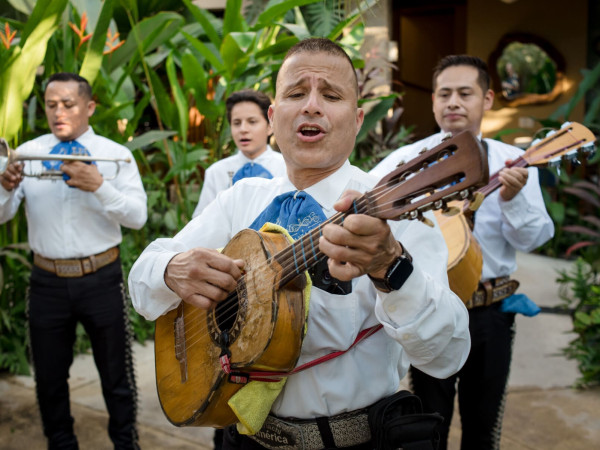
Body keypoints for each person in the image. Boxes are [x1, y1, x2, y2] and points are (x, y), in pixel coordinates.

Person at [128, 38, 470, 450]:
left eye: (331, 94)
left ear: (357, 118)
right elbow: (143, 284)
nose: (311, 105)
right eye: (295, 93)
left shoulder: (389, 214)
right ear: (273, 116)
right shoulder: (243, 197)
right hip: (243, 438)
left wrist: (391, 267)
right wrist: (172, 269)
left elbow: (447, 355)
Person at [370, 55, 554, 449]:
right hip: (429, 310)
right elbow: (365, 213)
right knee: (427, 427)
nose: (453, 102)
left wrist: (513, 199)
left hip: (490, 312)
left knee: (482, 429)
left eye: (464, 93)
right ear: (434, 101)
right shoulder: (404, 164)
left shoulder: (513, 163)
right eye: (444, 93)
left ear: (486, 99)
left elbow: (534, 239)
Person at [0, 72, 147, 449]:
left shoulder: (116, 155)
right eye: (51, 105)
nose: (58, 112)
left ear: (89, 106)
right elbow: (2, 216)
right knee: (49, 379)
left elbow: (137, 217)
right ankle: (61, 444)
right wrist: (5, 187)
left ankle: (125, 444)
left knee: (117, 377)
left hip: (101, 278)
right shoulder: (29, 152)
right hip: (46, 281)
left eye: (68, 104)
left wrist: (100, 186)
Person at [192, 89, 286, 218]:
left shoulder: (287, 168)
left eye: (252, 122)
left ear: (270, 126)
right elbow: (200, 221)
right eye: (237, 123)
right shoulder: (216, 172)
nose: (243, 129)